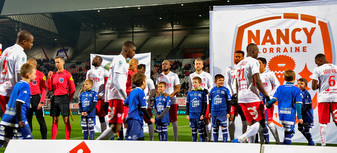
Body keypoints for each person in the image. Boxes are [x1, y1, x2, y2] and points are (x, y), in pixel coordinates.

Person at [97, 41, 136, 140]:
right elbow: (116, 81)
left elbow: (110, 81)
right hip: (117, 97)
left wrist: (106, 99)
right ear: (127, 49)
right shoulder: (120, 60)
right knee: (115, 126)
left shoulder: (119, 60)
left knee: (117, 126)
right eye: (133, 50)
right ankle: (95, 144)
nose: (134, 53)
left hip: (115, 96)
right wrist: (125, 99)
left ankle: (96, 144)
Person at [232, 43, 270, 143]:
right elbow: (257, 81)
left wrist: (237, 97)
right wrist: (266, 95)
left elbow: (236, 82)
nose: (258, 53)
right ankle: (243, 138)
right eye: (257, 51)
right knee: (260, 123)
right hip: (252, 97)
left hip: (241, 97)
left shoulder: (239, 64)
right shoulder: (254, 62)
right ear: (253, 51)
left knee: (250, 123)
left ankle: (250, 146)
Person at [0, 63, 36, 147]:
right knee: (29, 142)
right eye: (34, 74)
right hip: (18, 118)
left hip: (7, 118)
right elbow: (19, 103)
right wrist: (20, 120)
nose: (35, 76)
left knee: (2, 141)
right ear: (28, 75)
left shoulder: (17, 85)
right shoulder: (25, 86)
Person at [0, 30, 34, 113]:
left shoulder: (6, 50)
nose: (32, 45)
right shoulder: (20, 54)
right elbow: (19, 75)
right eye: (31, 42)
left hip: (2, 90)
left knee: (7, 121)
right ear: (24, 42)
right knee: (14, 122)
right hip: (10, 93)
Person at [266, 70, 303, 145]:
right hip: (290, 115)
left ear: (284, 78)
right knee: (289, 134)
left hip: (282, 115)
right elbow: (298, 104)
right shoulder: (296, 90)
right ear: (294, 78)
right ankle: (285, 148)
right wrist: (300, 117)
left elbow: (274, 99)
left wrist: (268, 104)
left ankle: (283, 145)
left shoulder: (280, 88)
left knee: (287, 133)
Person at [47, 56, 76, 140]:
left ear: (63, 63)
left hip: (64, 98)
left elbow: (73, 89)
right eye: (55, 62)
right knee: (55, 120)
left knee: (66, 120)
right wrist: (49, 78)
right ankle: (53, 140)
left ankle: (67, 139)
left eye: (58, 62)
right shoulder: (53, 74)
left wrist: (68, 99)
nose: (56, 64)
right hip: (55, 98)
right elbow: (49, 88)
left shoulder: (67, 74)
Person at [311, 53, 337, 146]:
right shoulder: (335, 67)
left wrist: (319, 85)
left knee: (323, 123)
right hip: (335, 97)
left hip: (324, 98)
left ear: (320, 60)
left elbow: (313, 87)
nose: (316, 64)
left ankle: (323, 145)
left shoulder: (318, 69)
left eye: (316, 62)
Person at [123, 73, 155, 140]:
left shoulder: (132, 91)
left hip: (132, 117)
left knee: (141, 138)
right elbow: (143, 108)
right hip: (135, 118)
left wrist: (132, 106)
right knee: (132, 139)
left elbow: (124, 103)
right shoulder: (141, 92)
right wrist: (150, 118)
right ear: (143, 82)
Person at [188, 58, 213, 141]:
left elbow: (211, 88)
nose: (198, 65)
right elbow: (190, 89)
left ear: (202, 65)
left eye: (199, 63)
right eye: (196, 63)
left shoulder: (207, 75)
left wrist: (206, 92)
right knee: (196, 121)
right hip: (195, 102)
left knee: (206, 120)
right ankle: (199, 138)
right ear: (194, 65)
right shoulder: (191, 76)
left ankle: (209, 138)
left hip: (205, 101)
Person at [156, 60, 180, 141]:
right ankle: (162, 139)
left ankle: (175, 139)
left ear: (169, 66)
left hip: (171, 101)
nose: (164, 65)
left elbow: (178, 88)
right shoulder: (159, 76)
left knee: (173, 121)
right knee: (161, 121)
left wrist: (170, 95)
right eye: (162, 64)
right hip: (161, 102)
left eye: (166, 64)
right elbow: (157, 89)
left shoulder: (174, 75)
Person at [225, 50, 247, 141]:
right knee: (231, 119)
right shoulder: (230, 69)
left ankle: (244, 139)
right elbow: (228, 82)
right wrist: (232, 94)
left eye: (239, 57)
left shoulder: (246, 68)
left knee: (244, 120)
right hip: (233, 97)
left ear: (243, 58)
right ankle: (231, 139)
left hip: (243, 97)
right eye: (236, 56)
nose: (237, 58)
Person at [257, 57, 280, 144]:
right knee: (259, 122)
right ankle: (263, 142)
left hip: (267, 101)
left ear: (264, 64)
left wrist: (269, 95)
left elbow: (277, 85)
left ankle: (277, 141)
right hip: (258, 101)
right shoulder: (255, 75)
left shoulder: (270, 74)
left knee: (269, 121)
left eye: (259, 63)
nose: (257, 65)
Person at [86, 55, 109, 133]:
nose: (94, 60)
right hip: (90, 98)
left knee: (101, 117)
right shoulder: (89, 72)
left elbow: (107, 85)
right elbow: (86, 84)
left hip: (99, 98)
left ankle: (103, 134)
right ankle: (89, 134)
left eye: (96, 59)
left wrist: (101, 95)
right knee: (89, 117)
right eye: (93, 58)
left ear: (100, 61)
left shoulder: (104, 72)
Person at [27, 59, 47, 139]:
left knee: (41, 121)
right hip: (27, 99)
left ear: (34, 65)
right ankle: (28, 139)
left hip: (37, 99)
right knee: (28, 121)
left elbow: (44, 89)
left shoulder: (40, 74)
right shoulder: (26, 74)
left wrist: (41, 101)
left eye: (28, 64)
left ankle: (44, 139)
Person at [209, 74, 231, 142]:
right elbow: (210, 102)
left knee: (224, 128)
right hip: (214, 112)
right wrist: (210, 112)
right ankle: (215, 143)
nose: (222, 82)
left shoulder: (226, 90)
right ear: (215, 81)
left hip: (222, 112)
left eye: (223, 80)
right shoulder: (212, 90)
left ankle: (225, 143)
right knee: (215, 128)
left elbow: (229, 102)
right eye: (220, 80)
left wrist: (228, 112)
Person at [137, 64, 156, 141]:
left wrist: (148, 98)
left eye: (141, 70)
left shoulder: (148, 80)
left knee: (149, 121)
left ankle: (151, 139)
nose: (139, 71)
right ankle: (140, 138)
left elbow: (153, 91)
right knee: (138, 122)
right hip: (137, 105)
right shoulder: (135, 79)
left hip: (146, 105)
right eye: (138, 70)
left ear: (144, 70)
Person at [186, 76, 207, 142]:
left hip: (199, 116)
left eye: (195, 82)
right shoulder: (189, 93)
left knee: (201, 133)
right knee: (193, 132)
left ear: (200, 83)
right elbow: (187, 104)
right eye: (193, 82)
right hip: (192, 115)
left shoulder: (202, 93)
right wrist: (187, 114)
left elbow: (204, 105)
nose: (194, 84)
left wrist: (203, 114)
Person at [297, 78, 315, 145]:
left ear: (305, 85)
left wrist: (301, 113)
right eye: (298, 83)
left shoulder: (306, 93)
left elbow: (308, 105)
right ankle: (310, 140)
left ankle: (311, 142)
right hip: (301, 113)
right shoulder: (297, 93)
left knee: (306, 128)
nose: (300, 85)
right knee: (300, 128)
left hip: (307, 114)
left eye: (301, 84)